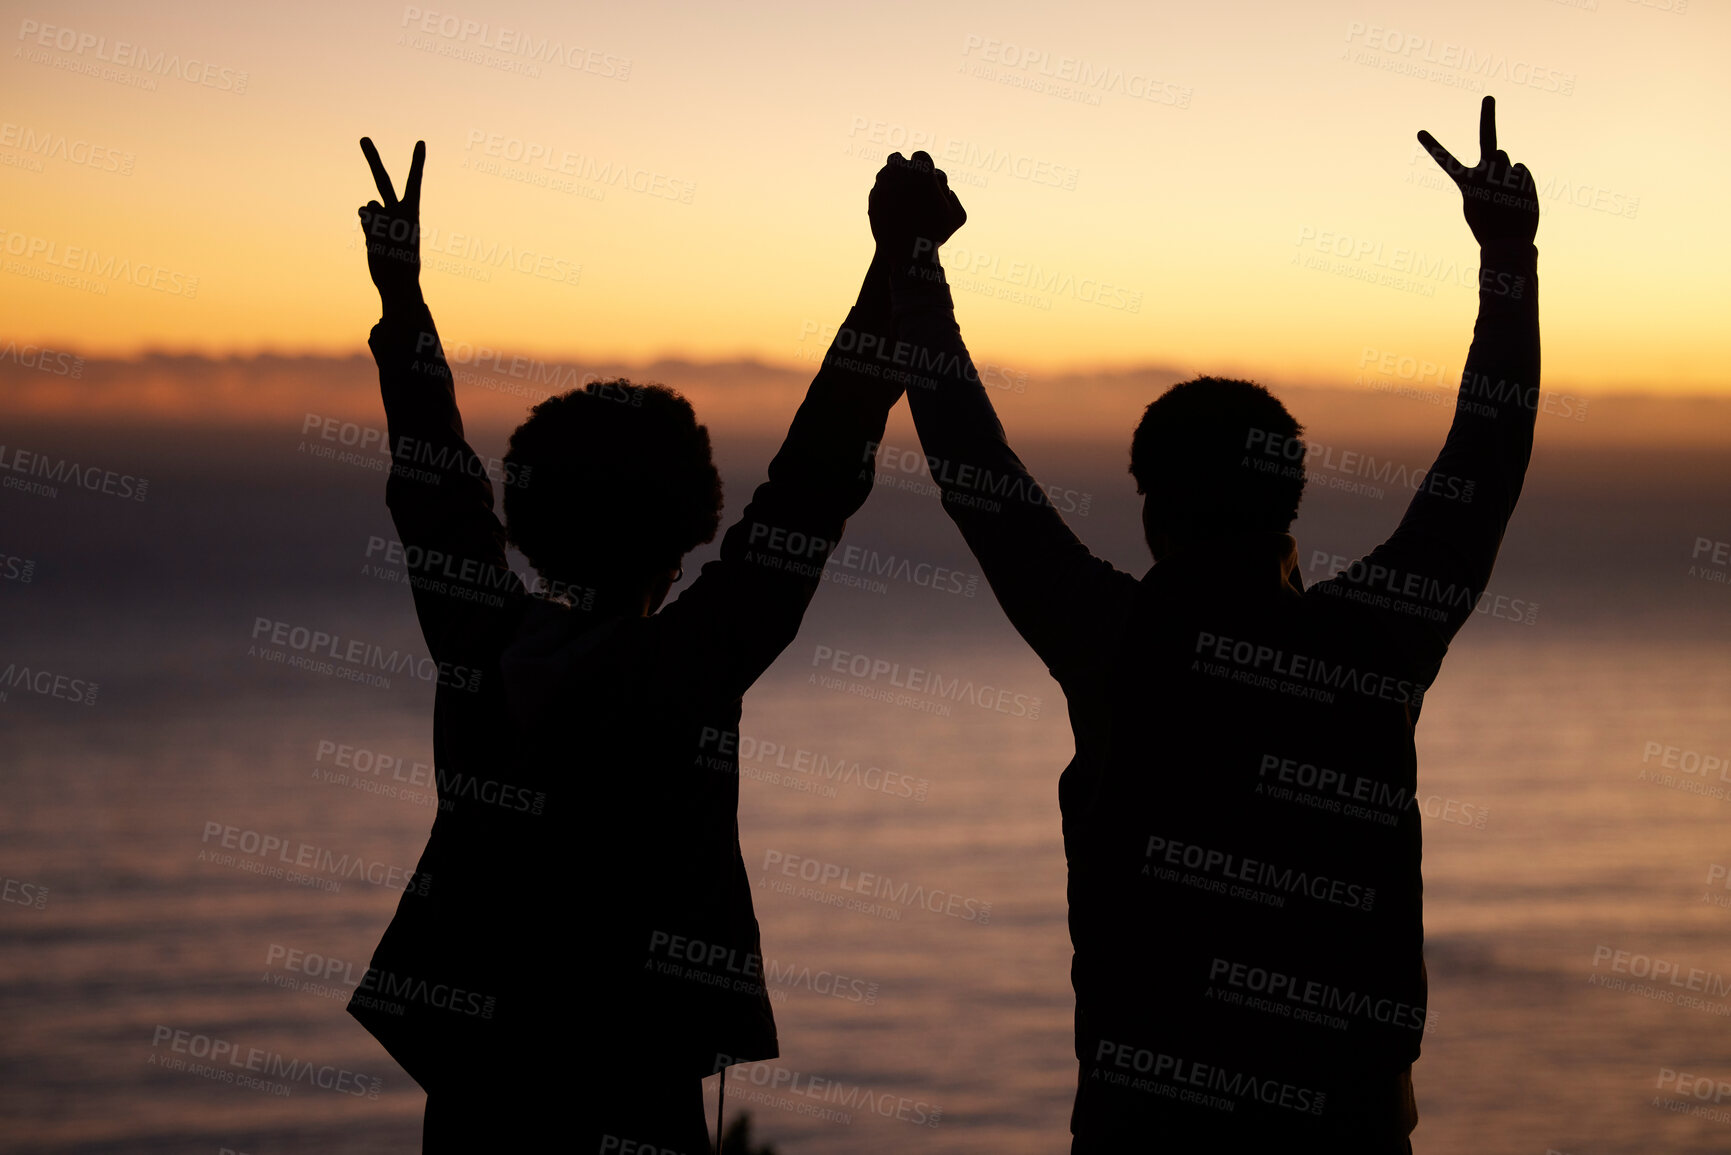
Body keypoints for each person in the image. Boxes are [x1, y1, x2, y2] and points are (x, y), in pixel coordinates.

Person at [875, 96, 1540, 1150]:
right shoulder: (1375, 643)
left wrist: (914, 267)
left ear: (1151, 507)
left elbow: (974, 469)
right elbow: (1484, 463)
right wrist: (1507, 254)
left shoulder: (1109, 638)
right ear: (1292, 503)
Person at [348, 137, 917, 1151]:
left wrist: (404, 301)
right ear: (695, 519)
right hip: (638, 1086)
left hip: (480, 1093)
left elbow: (432, 486)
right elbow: (816, 483)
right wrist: (893, 271)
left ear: (523, 517)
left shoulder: (480, 645)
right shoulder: (686, 669)